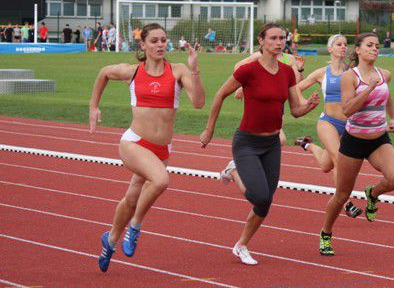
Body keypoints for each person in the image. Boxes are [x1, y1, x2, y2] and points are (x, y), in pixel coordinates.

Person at [199, 23, 320, 265]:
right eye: (273, 38)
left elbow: (295, 111)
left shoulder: (287, 71)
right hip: (247, 142)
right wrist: (209, 129)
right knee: (260, 197)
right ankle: (233, 171)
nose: (279, 42)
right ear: (261, 41)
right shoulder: (248, 70)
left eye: (282, 38)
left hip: (272, 143)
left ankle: (241, 244)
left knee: (266, 201)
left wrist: (309, 107)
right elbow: (220, 95)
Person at [89, 23, 205, 272]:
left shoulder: (178, 71)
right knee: (161, 181)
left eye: (164, 40)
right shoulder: (132, 72)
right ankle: (135, 227)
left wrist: (194, 71)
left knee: (132, 198)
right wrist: (93, 106)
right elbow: (103, 73)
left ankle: (109, 240)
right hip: (134, 142)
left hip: (162, 148)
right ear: (143, 45)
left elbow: (198, 103)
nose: (160, 45)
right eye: (154, 41)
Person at [319, 32, 394, 256]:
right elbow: (347, 109)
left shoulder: (384, 74)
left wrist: (391, 117)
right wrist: (368, 88)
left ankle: (372, 194)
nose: (375, 48)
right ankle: (326, 233)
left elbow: (387, 97)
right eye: (369, 45)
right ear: (358, 50)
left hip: (378, 139)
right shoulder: (350, 77)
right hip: (354, 140)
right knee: (342, 194)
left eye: (376, 45)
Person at [294, 34, 363, 218]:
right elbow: (296, 88)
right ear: (330, 49)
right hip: (328, 122)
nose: (343, 47)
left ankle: (308, 144)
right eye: (339, 44)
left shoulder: (353, 72)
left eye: (345, 45)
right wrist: (305, 102)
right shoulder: (321, 73)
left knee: (326, 164)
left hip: (348, 125)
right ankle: (346, 202)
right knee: (339, 159)